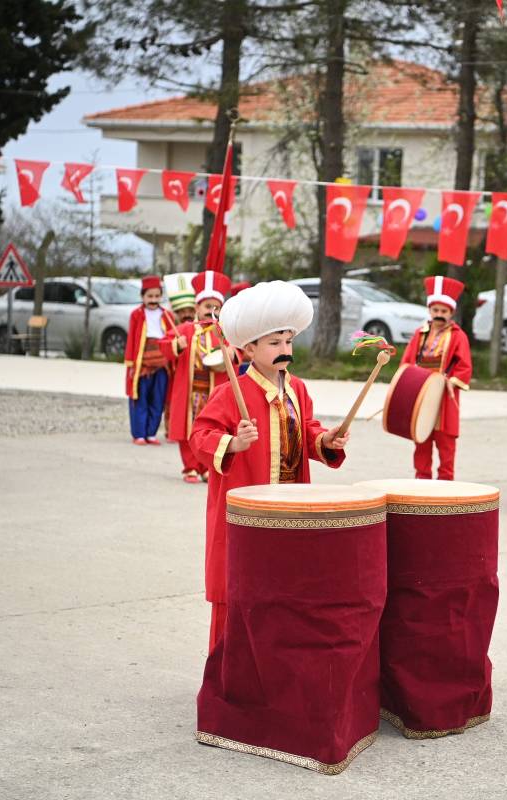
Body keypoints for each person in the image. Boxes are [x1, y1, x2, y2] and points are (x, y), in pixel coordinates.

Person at [188, 280, 350, 650]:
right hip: (246, 514)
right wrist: (232, 443)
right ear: (249, 348)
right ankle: (228, 678)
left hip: (289, 509)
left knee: (284, 591)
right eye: (275, 343)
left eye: (289, 341)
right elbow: (199, 436)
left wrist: (324, 440)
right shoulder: (230, 392)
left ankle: (274, 670)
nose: (285, 350)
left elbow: (304, 430)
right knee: (239, 591)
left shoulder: (298, 390)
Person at [160, 270, 232, 483]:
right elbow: (164, 345)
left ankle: (206, 467)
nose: (211, 311)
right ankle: (190, 467)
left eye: (216, 307)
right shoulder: (185, 329)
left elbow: (240, 350)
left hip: (213, 392)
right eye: (207, 306)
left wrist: (231, 353)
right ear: (197, 307)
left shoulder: (223, 331)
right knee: (188, 429)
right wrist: (176, 345)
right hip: (190, 391)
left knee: (211, 428)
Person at [399, 275, 473, 480]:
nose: (439, 315)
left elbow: (464, 366)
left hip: (445, 399)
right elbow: (406, 362)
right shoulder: (419, 334)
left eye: (444, 311)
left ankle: (446, 486)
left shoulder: (459, 336)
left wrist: (450, 380)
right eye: (435, 311)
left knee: (446, 444)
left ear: (451, 312)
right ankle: (422, 482)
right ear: (430, 311)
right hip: (421, 397)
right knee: (421, 440)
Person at [124, 276, 177, 445]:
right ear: (142, 296)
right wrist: (131, 364)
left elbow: (172, 338)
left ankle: (151, 433)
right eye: (150, 296)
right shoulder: (136, 315)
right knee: (140, 398)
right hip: (142, 364)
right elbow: (132, 339)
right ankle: (139, 434)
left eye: (156, 296)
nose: (153, 300)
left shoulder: (167, 315)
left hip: (162, 365)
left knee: (158, 399)